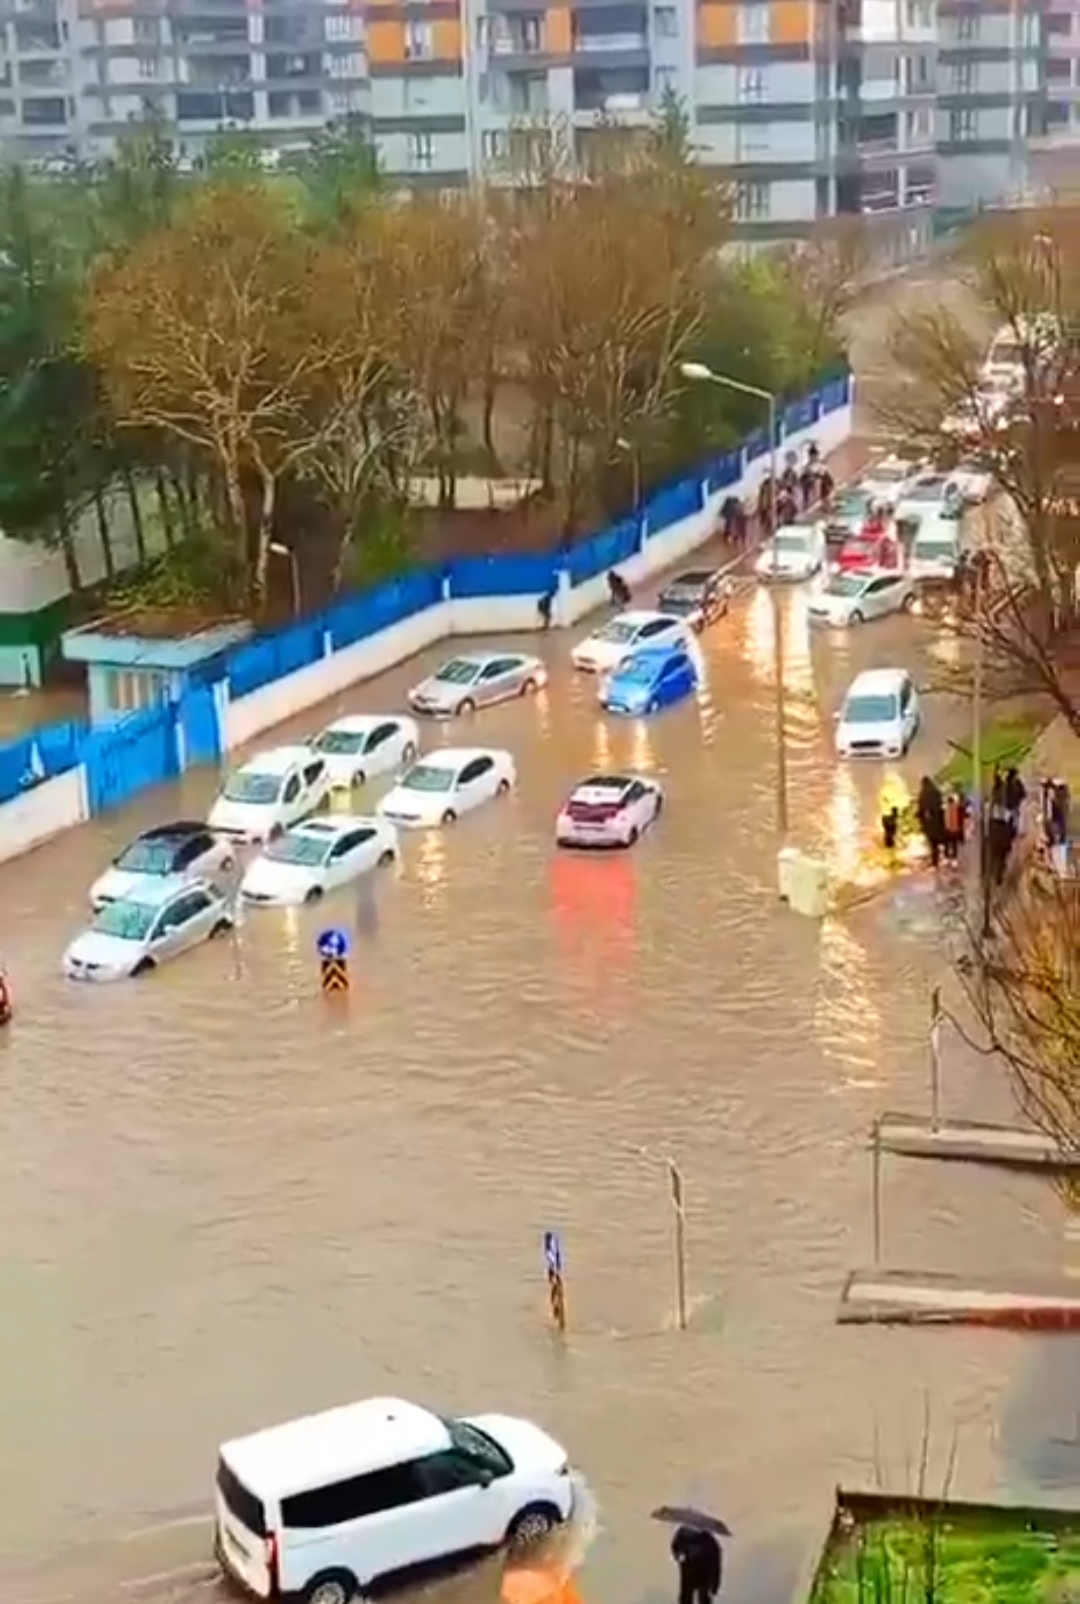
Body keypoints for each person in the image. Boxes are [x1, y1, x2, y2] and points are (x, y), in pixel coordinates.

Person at [671, 1524, 723, 1604]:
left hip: (697, 1573)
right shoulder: (708, 1539)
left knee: (696, 1597)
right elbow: (716, 1562)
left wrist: (715, 1584)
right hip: (693, 1573)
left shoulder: (706, 1539)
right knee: (692, 1597)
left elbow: (715, 1562)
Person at [917, 776, 946, 868]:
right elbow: (940, 804)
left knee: (932, 842)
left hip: (928, 823)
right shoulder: (936, 792)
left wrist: (920, 817)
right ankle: (938, 859)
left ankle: (934, 861)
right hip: (937, 821)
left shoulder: (922, 794)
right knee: (936, 841)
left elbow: (921, 807)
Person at [942, 787, 966, 863]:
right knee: (954, 844)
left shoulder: (945, 809)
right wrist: (960, 828)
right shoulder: (957, 808)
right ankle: (954, 859)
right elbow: (961, 819)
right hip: (955, 829)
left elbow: (943, 819)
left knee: (947, 844)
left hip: (947, 829)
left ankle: (947, 858)